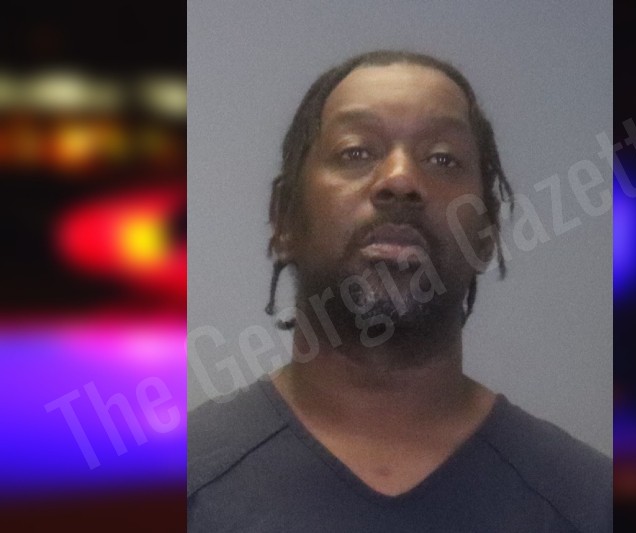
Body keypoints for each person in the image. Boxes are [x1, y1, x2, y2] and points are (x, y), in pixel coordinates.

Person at [188, 50, 611, 533]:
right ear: (284, 217)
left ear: (485, 235)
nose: (401, 179)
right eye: (356, 151)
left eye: (443, 158)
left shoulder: (591, 504)